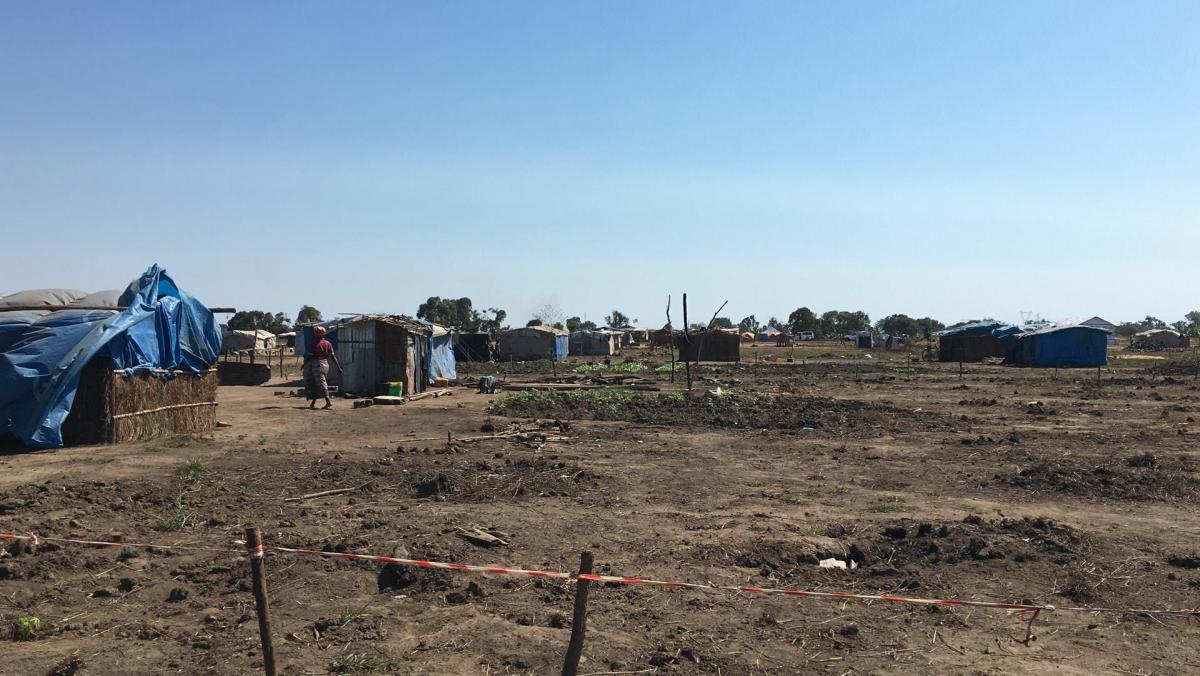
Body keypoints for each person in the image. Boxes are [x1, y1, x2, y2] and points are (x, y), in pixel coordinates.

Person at [303, 326, 342, 409]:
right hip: (325, 364)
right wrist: (338, 367)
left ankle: (328, 402)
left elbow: (310, 357)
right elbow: (332, 356)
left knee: (321, 383)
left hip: (317, 364)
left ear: (316, 334)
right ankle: (313, 402)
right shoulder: (328, 343)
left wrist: (304, 365)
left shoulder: (314, 344)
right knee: (316, 383)